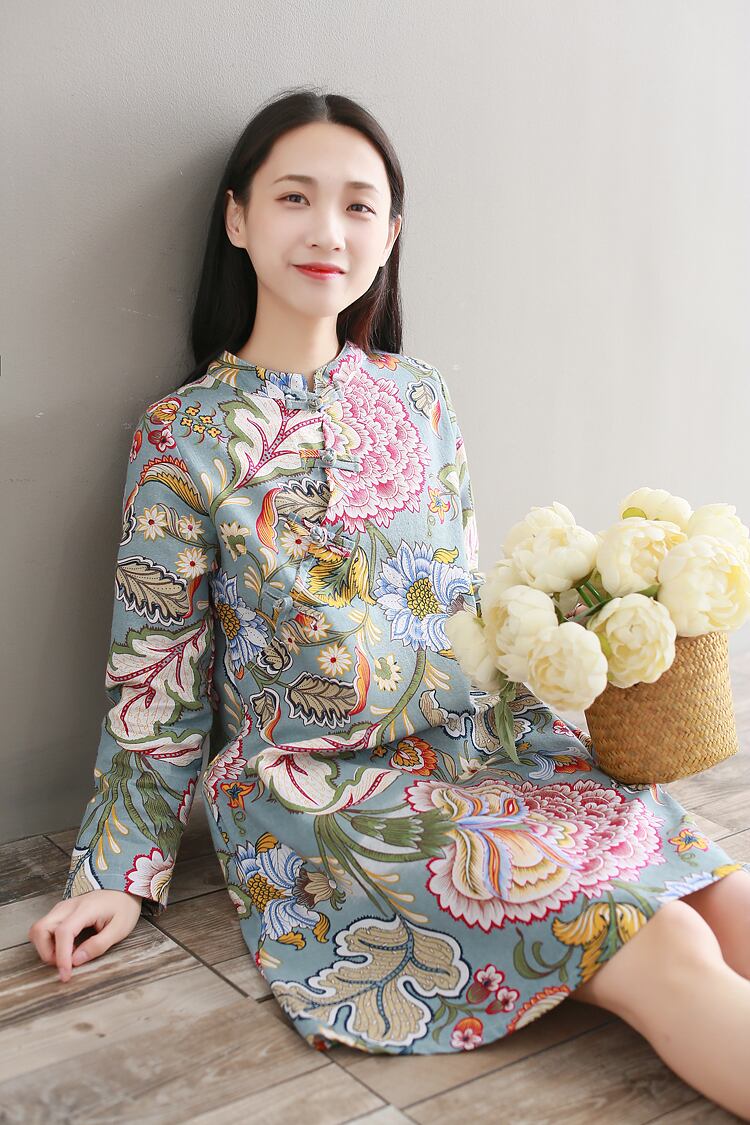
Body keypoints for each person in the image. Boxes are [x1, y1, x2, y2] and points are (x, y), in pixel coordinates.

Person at [29, 88, 750, 1116]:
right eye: (295, 198)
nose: (329, 230)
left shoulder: (422, 395)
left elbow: (462, 602)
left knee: (719, 892)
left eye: (359, 206)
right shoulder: (182, 436)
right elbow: (157, 669)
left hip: (492, 743)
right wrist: (116, 869)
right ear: (237, 219)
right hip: (329, 789)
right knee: (665, 942)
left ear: (391, 235)